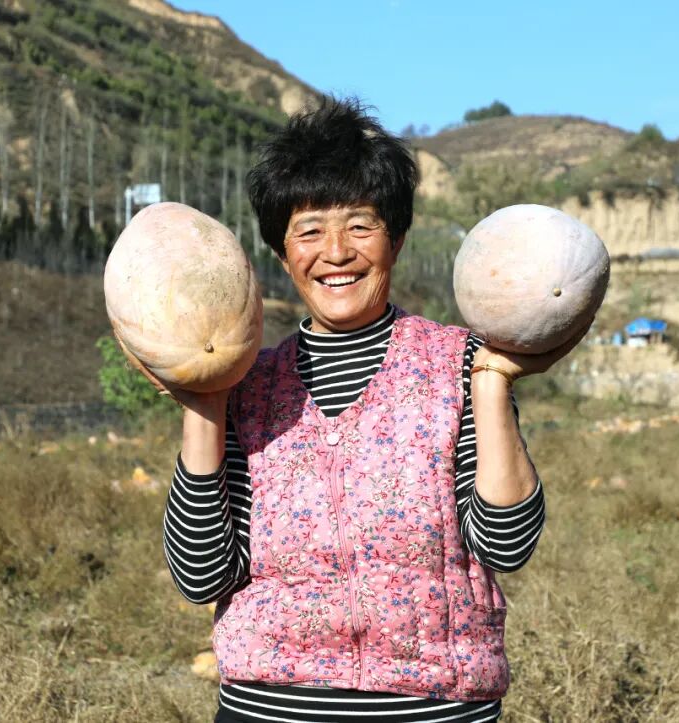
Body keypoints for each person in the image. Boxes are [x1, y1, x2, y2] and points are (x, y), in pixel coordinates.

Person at [150, 98, 581, 722]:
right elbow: (201, 577)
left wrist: (492, 381)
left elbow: (505, 544)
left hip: (434, 707)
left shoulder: (458, 365)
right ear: (281, 253)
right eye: (309, 231)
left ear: (396, 240)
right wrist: (205, 401)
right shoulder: (249, 385)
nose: (336, 252)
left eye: (360, 226)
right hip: (268, 709)